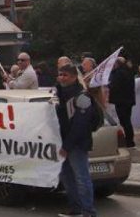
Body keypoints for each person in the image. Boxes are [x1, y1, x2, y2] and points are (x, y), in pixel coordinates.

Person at [54, 59, 97, 217]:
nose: (62, 78)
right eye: (60, 75)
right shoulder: (60, 94)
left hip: (76, 145)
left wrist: (67, 146)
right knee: (67, 178)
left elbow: (80, 125)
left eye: (65, 75)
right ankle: (75, 209)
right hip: (63, 143)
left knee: (81, 178)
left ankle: (88, 212)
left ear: (73, 77)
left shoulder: (82, 97)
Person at [108, 57, 136, 148]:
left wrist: (108, 85)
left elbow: (114, 86)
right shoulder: (128, 71)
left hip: (121, 100)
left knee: (125, 121)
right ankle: (130, 140)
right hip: (128, 100)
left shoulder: (118, 73)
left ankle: (129, 141)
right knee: (127, 120)